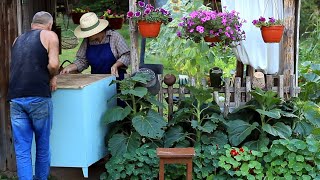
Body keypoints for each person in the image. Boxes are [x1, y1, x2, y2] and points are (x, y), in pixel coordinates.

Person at [7, 11, 60, 180]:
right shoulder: (50, 35)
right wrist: (53, 76)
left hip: (15, 98)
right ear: (49, 25)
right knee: (42, 147)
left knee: (22, 150)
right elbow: (53, 64)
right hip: (38, 97)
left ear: (32, 24)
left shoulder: (17, 40)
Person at [60, 12, 130, 80]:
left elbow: (126, 55)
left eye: (87, 33)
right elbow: (82, 61)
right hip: (97, 81)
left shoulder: (114, 37)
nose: (86, 36)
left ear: (97, 31)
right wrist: (70, 67)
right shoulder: (87, 41)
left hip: (116, 80)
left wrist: (116, 65)